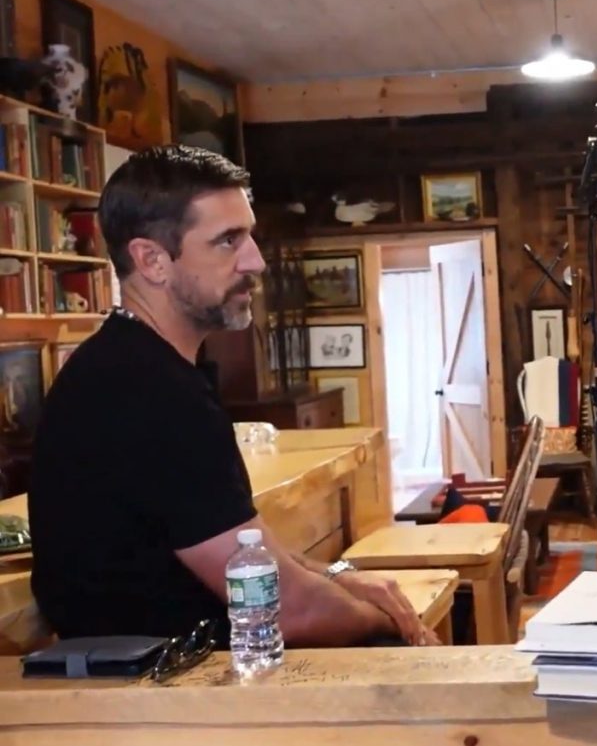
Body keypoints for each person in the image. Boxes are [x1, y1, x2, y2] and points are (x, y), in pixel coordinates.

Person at [29, 145, 438, 649]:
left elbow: (248, 552)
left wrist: (341, 577)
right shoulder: (148, 392)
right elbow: (289, 611)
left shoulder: (134, 364)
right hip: (165, 687)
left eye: (249, 237)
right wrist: (400, 628)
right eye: (228, 241)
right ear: (152, 260)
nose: (256, 261)